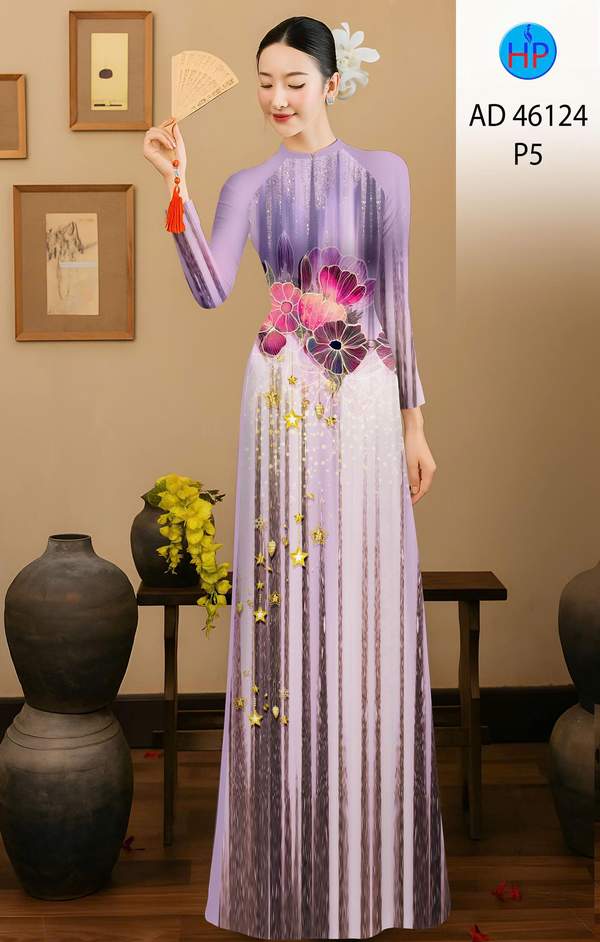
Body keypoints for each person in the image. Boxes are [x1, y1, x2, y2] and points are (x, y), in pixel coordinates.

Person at [143, 15, 450, 938]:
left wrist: (415, 423)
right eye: (265, 82)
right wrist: (178, 185)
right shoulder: (248, 184)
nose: (276, 98)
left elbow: (396, 302)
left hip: (365, 398)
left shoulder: (384, 174)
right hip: (278, 399)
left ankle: (368, 868)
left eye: (294, 81)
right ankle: (283, 870)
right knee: (284, 603)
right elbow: (210, 287)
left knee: (365, 605)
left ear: (332, 82)